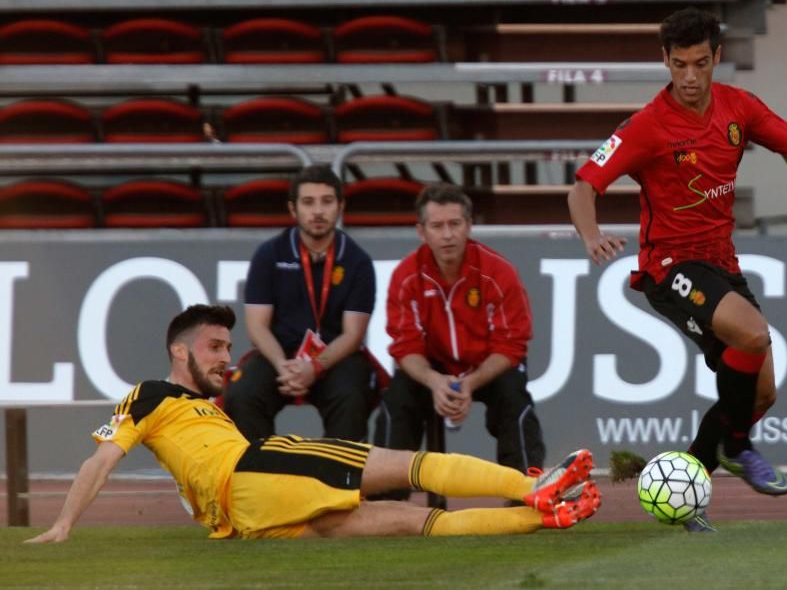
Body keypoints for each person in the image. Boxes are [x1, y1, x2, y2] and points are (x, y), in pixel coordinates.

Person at [567, 8, 787, 532]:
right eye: (678, 65)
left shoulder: (739, 108)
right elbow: (583, 187)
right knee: (754, 334)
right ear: (664, 61)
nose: (689, 78)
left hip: (720, 263)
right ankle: (737, 446)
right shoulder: (647, 126)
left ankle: (684, 491)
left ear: (716, 58)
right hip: (669, 267)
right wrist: (591, 234)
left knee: (761, 393)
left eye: (699, 64)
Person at [24, 305, 600, 543]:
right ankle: (534, 487)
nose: (227, 356)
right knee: (408, 465)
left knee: (403, 520)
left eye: (228, 344)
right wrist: (63, 526)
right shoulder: (150, 395)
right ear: (180, 352)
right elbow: (101, 457)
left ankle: (542, 516)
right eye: (216, 346)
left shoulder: (199, 410)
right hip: (254, 464)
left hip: (248, 519)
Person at [373, 183, 545, 495]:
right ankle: (385, 500)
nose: (447, 234)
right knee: (396, 402)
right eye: (437, 226)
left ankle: (527, 493)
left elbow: (512, 344)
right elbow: (405, 346)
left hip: (486, 364)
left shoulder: (498, 271)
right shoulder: (406, 275)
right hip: (431, 366)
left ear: (469, 226)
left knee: (514, 401)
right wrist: (434, 381)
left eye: (455, 224)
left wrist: (470, 382)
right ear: (421, 232)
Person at [222, 164, 376, 442]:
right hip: (278, 355)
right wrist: (283, 365)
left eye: (327, 202)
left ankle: (336, 480)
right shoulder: (269, 254)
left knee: (352, 396)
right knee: (242, 392)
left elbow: (353, 335)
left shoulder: (357, 261)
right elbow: (257, 326)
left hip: (335, 357)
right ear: (293, 209)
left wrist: (315, 367)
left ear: (340, 206)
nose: (318, 211)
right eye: (308, 202)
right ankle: (262, 476)